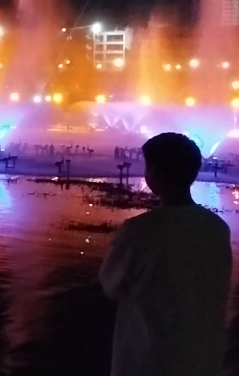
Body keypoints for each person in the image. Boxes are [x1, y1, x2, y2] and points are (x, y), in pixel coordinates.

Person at [99, 132, 232, 376]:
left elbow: (110, 285)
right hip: (201, 360)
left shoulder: (138, 232)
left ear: (154, 175)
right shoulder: (217, 228)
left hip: (147, 362)